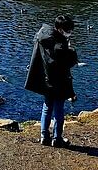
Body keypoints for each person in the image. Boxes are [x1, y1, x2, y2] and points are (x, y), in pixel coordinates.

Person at [25, 15, 78, 147]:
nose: (70, 33)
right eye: (68, 30)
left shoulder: (42, 36)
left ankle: (44, 136)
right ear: (60, 29)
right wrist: (72, 51)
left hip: (45, 79)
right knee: (59, 109)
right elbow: (65, 63)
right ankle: (57, 138)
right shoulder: (58, 45)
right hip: (58, 80)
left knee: (47, 107)